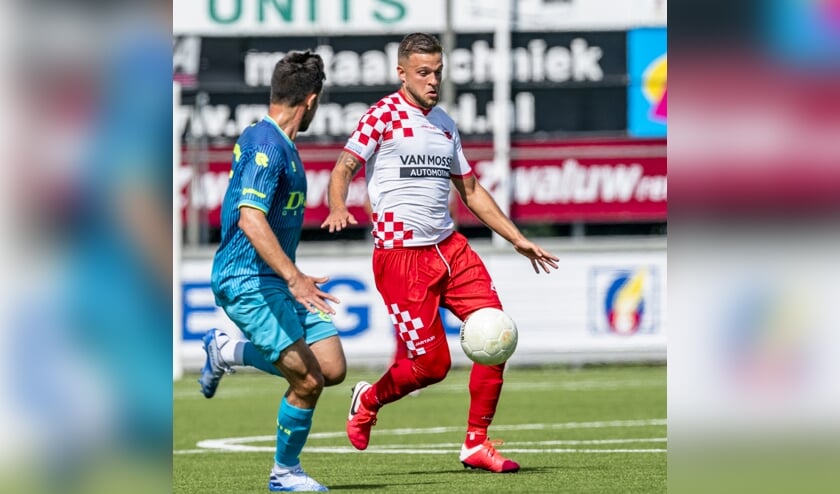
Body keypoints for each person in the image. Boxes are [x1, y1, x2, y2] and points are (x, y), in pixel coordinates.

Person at [321, 33, 559, 473]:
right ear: (402, 73)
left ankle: (476, 443)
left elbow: (469, 189)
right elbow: (344, 167)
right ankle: (368, 399)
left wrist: (516, 237)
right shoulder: (382, 116)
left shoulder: (446, 123)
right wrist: (338, 205)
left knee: (498, 333)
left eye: (438, 72)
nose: (433, 81)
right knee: (432, 367)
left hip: (450, 248)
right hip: (401, 256)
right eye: (423, 73)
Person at [203, 50, 346, 492]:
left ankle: (226, 351)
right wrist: (294, 277)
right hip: (246, 279)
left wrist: (289, 273)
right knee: (306, 380)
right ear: (311, 101)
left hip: (272, 276)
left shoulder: (279, 143)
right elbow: (250, 217)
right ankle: (285, 473)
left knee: (331, 367)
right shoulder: (267, 145)